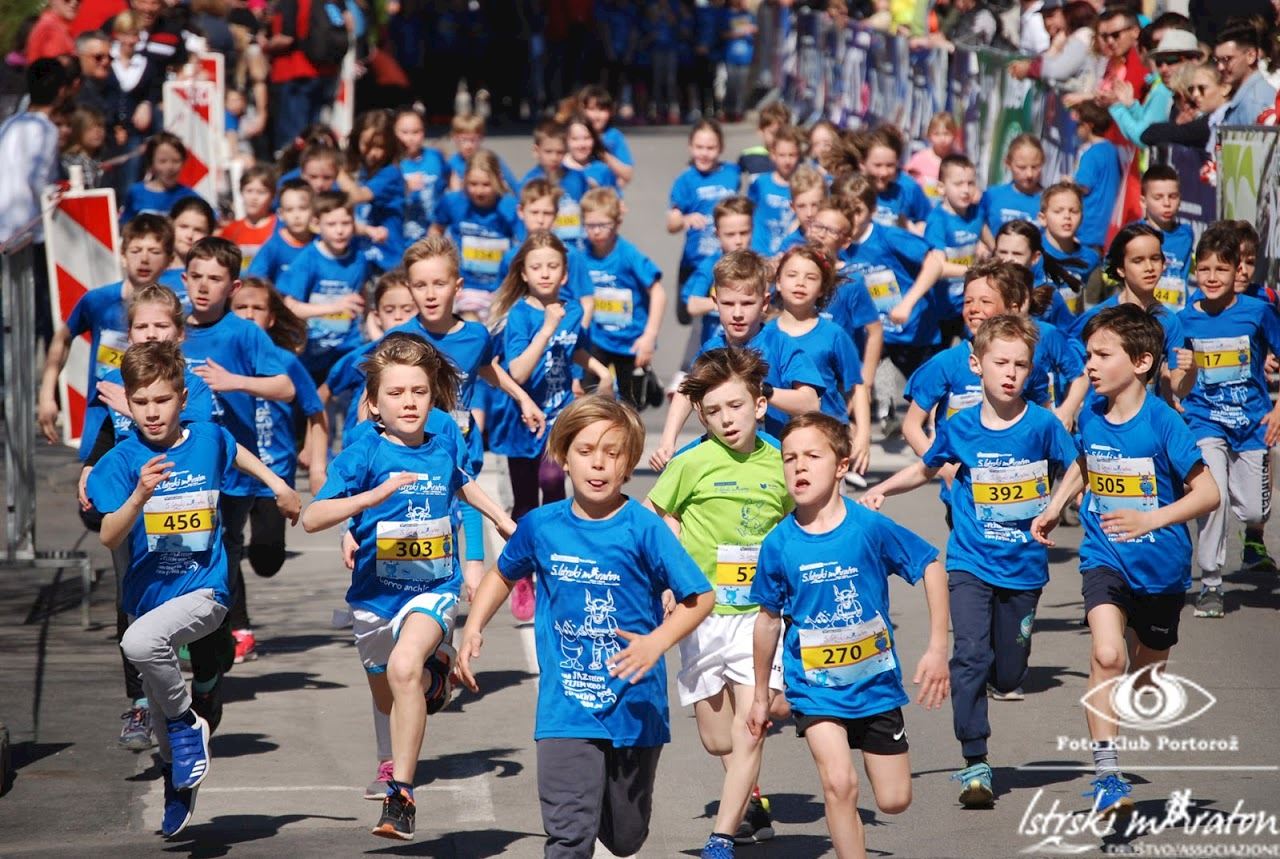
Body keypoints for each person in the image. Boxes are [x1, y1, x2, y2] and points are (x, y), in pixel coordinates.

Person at [458, 396, 716, 859]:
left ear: (628, 464)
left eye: (612, 453)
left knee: (625, 838)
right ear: (562, 456)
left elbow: (701, 598)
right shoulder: (541, 526)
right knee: (568, 838)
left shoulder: (644, 528)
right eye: (585, 450)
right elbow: (504, 573)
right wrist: (474, 626)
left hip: (636, 709)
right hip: (565, 710)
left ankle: (601, 805)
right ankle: (578, 809)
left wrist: (657, 641)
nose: (598, 464)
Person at [302, 334, 518, 842]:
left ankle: (401, 795)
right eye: (396, 393)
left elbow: (462, 483)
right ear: (374, 403)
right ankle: (434, 678)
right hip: (375, 596)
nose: (409, 402)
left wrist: (502, 520)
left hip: (431, 590)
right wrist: (366, 501)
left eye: (419, 392)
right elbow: (312, 516)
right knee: (391, 691)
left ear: (432, 396)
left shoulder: (442, 443)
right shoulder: (362, 453)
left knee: (403, 667)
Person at [86, 339, 300, 838]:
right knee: (159, 719)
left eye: (161, 401)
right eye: (140, 403)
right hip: (149, 598)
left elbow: (237, 450)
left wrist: (280, 485)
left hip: (206, 591)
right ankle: (179, 786)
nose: (152, 412)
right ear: (128, 402)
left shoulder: (205, 438)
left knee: (138, 646)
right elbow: (109, 536)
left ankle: (189, 724)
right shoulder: (121, 461)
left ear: (182, 399)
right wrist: (139, 494)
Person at [867, 314, 1078, 808]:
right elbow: (926, 468)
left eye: (1021, 365)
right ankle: (975, 760)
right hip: (970, 560)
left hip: (1024, 567)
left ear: (1032, 371)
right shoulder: (960, 427)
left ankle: (990, 678)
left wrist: (1051, 508)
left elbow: (1076, 471)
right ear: (976, 365)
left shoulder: (1043, 425)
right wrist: (882, 488)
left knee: (1007, 673)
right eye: (999, 362)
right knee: (969, 657)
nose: (1009, 373)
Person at [1032, 304, 1220, 815]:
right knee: (1107, 655)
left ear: (1140, 362)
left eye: (1101, 354)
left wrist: (1151, 520)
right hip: (1104, 555)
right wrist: (1053, 506)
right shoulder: (1092, 413)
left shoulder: (1164, 422)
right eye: (1087, 353)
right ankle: (1106, 770)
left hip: (1162, 566)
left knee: (1143, 677)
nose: (1089, 364)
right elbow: (1085, 463)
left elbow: (1207, 494)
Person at [747, 412, 950, 858]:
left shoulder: (868, 528)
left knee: (895, 800)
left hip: (875, 687)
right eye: (789, 459)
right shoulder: (778, 544)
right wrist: (763, 692)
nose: (798, 467)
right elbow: (767, 621)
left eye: (811, 457)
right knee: (839, 784)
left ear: (841, 466)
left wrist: (937, 648)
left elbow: (930, 565)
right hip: (815, 689)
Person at [647, 348, 793, 855]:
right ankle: (748, 796)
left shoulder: (782, 459)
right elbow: (657, 516)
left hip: (762, 613)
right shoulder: (692, 464)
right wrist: (668, 579)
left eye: (735, 406)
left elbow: (806, 521)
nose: (726, 419)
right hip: (704, 611)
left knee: (749, 723)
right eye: (713, 412)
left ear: (759, 404)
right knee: (717, 737)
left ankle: (722, 836)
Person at [182, 236, 297, 664]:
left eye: (215, 279)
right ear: (184, 278)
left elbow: (284, 388)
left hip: (233, 468)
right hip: (180, 465)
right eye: (196, 277)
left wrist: (237, 382)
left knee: (226, 546)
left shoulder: (244, 333)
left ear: (232, 288)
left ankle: (220, 627)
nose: (203, 287)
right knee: (185, 548)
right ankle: (200, 626)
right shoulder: (171, 326)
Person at [1176, 226, 1280, 618]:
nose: (1213, 277)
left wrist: (1277, 409)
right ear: (1195, 272)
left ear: (1238, 270)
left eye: (1221, 268)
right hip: (1206, 422)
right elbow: (1179, 380)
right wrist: (1181, 381)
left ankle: (1249, 528)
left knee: (1254, 511)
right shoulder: (1185, 318)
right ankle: (1212, 582)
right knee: (1212, 496)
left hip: (1252, 423)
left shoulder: (1258, 312)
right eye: (1204, 269)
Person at [652, 250, 822, 465]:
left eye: (747, 303)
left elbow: (809, 402)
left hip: (774, 459)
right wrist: (667, 442)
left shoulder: (780, 344)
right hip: (724, 461)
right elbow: (685, 392)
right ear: (716, 302)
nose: (738, 313)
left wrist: (764, 392)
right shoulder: (712, 349)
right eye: (729, 304)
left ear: (765, 302)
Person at [37, 213, 171, 453]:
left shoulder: (171, 309)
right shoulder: (98, 301)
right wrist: (47, 393)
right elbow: (63, 338)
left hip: (153, 422)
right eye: (136, 249)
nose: (144, 258)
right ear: (122, 255)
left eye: (154, 251)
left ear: (169, 259)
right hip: (102, 420)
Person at [228, 277, 325, 580]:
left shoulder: (286, 361)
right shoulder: (219, 359)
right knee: (224, 548)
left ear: (270, 318)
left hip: (274, 473)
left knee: (267, 560)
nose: (248, 314)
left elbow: (315, 409)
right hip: (230, 471)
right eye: (240, 307)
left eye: (257, 308)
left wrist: (315, 461)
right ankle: (236, 622)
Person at [1068, 223, 1193, 404]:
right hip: (1097, 418)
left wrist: (1191, 371)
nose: (1149, 267)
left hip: (1144, 422)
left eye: (1155, 258)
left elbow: (1179, 388)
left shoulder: (1169, 321)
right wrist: (1069, 409)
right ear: (1120, 268)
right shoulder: (1097, 316)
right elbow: (1071, 368)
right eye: (1138, 260)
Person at [0, 58, 74, 345]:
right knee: (36, 305)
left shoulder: (10, 123)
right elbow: (39, 180)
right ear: (61, 92)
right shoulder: (45, 129)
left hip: (7, 225)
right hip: (31, 232)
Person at [580, 187, 665, 409]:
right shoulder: (581, 255)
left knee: (631, 404)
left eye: (603, 225)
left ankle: (650, 386)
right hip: (597, 339)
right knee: (588, 397)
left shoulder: (628, 254)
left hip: (631, 341)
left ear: (617, 223)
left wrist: (649, 337)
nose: (596, 232)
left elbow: (658, 292)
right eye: (590, 225)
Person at [277, 190, 373, 382]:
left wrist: (373, 330)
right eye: (331, 224)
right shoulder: (307, 260)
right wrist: (335, 307)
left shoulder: (359, 258)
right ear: (316, 224)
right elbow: (289, 307)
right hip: (312, 350)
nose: (339, 230)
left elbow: (362, 296)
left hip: (349, 347)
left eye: (346, 223)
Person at [431, 149, 520, 321]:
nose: (479, 191)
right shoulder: (453, 202)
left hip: (500, 287)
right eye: (472, 184)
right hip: (466, 286)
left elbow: (524, 242)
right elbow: (436, 229)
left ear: (498, 180)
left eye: (486, 185)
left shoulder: (509, 206)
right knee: (471, 324)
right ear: (464, 180)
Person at [668, 121, 742, 289]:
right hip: (696, 262)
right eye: (699, 147)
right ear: (690, 147)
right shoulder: (685, 180)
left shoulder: (732, 172)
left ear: (721, 148)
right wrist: (686, 219)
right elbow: (671, 225)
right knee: (689, 312)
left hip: (728, 260)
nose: (704, 153)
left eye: (710, 148)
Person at [924, 154, 984, 343]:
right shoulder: (937, 221)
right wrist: (976, 271)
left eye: (970, 183)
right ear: (941, 187)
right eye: (958, 184)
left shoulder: (976, 213)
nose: (966, 190)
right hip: (941, 308)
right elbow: (940, 268)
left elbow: (993, 243)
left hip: (966, 304)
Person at [340, 109, 407, 266]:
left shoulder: (391, 173)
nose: (373, 153)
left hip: (386, 259)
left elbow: (359, 196)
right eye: (367, 145)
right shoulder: (357, 170)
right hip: (358, 257)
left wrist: (336, 170)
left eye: (380, 147)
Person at [1135, 165, 1194, 313]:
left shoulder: (1186, 235)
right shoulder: (1133, 234)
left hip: (1178, 316)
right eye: (1158, 197)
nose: (1167, 203)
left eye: (1173, 196)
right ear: (1143, 201)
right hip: (1144, 316)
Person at [978, 134, 1045, 248]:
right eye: (1021, 167)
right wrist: (990, 247)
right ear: (1008, 163)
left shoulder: (1049, 200)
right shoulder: (992, 195)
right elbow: (975, 222)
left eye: (1035, 167)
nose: (1029, 174)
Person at [394, 107, 448, 245]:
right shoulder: (391, 162)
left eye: (416, 132)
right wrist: (405, 187)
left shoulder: (435, 157)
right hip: (399, 237)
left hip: (430, 235)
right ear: (394, 133)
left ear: (424, 132)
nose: (410, 138)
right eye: (404, 132)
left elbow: (448, 183)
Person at [119, 131, 200, 224]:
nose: (170, 167)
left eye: (176, 161)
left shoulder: (189, 196)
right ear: (151, 164)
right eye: (163, 161)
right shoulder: (136, 192)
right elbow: (124, 225)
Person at [748, 124, 804, 256]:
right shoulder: (760, 183)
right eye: (782, 155)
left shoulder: (804, 185)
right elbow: (747, 213)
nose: (787, 160)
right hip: (761, 252)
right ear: (773, 154)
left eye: (792, 155)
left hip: (790, 252)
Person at [247, 179, 315, 283]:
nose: (296, 216)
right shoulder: (273, 246)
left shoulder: (320, 243)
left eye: (303, 208)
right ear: (281, 214)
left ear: (313, 210)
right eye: (289, 210)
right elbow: (255, 280)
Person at [1214, 18, 1276, 126]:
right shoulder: (1248, 97)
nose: (1220, 67)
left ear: (1251, 56)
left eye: (1227, 59)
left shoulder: (1256, 103)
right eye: (1217, 60)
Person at [218, 165, 278, 270]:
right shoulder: (230, 230)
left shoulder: (279, 227)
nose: (254, 198)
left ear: (272, 196)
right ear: (241, 192)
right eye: (249, 191)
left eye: (261, 192)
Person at [904, 112, 958, 203]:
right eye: (937, 134)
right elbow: (907, 182)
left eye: (946, 134)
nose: (942, 139)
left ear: (954, 135)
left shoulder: (958, 161)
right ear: (929, 135)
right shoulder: (919, 159)